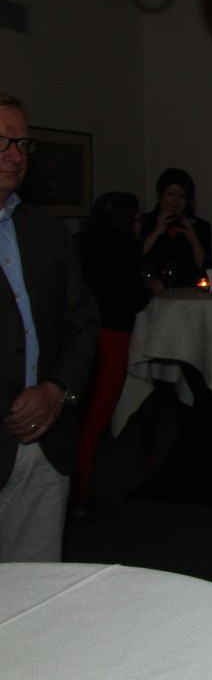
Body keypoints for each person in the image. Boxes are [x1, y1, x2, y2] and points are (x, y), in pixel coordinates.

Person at [0, 93, 99, 560]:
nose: (15, 155)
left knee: (38, 584)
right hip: (10, 427)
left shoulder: (45, 230)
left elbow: (82, 318)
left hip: (47, 437)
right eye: (2, 143)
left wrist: (56, 390)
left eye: (22, 143)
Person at [72, 192, 161, 510]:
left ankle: (74, 491)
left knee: (81, 417)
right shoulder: (122, 251)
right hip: (110, 337)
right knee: (94, 419)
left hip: (82, 335)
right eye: (137, 219)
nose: (140, 225)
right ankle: (78, 496)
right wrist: (150, 290)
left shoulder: (83, 243)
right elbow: (129, 298)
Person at [140, 168, 212, 288]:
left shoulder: (200, 226)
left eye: (182, 196)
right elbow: (137, 257)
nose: (176, 201)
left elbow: (205, 268)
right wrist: (156, 231)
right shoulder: (144, 222)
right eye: (171, 195)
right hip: (152, 289)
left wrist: (193, 239)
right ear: (160, 195)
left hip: (187, 290)